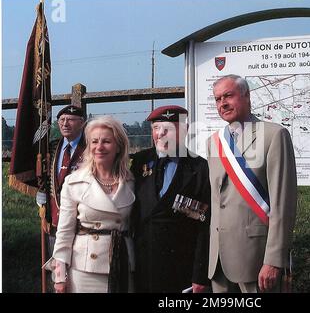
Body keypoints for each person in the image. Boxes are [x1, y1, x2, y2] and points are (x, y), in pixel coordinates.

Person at [207, 75, 297, 293]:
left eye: (228, 96)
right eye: (218, 99)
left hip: (256, 259)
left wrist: (274, 260)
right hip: (218, 261)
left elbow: (283, 204)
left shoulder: (274, 135)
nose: (223, 104)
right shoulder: (214, 142)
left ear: (247, 96)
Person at [44, 115, 135, 293]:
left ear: (118, 146)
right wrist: (60, 277)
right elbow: (64, 232)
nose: (99, 147)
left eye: (106, 141)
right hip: (85, 269)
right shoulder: (74, 182)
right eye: (94, 142)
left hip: (123, 264)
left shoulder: (132, 181)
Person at [130, 105, 211, 293]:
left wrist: (200, 275)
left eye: (169, 129)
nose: (161, 134)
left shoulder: (199, 168)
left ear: (185, 130)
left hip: (180, 266)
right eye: (156, 128)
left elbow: (204, 226)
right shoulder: (140, 162)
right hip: (144, 264)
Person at [42, 105, 86, 254]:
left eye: (71, 120)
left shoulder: (90, 148)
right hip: (55, 218)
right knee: (56, 266)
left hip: (81, 220)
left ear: (82, 123)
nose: (65, 124)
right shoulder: (52, 147)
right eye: (62, 120)